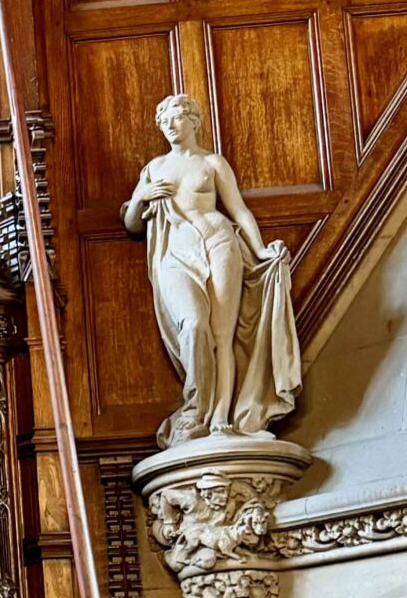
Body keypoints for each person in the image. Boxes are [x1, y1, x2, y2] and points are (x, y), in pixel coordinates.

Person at [123, 92, 300, 444]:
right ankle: (196, 407)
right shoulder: (155, 168)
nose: (170, 126)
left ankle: (221, 416)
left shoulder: (213, 163)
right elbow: (132, 224)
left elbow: (239, 210)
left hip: (219, 243)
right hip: (176, 252)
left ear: (194, 120)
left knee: (223, 335)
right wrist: (141, 197)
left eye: (177, 118)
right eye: (164, 122)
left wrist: (261, 250)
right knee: (193, 323)